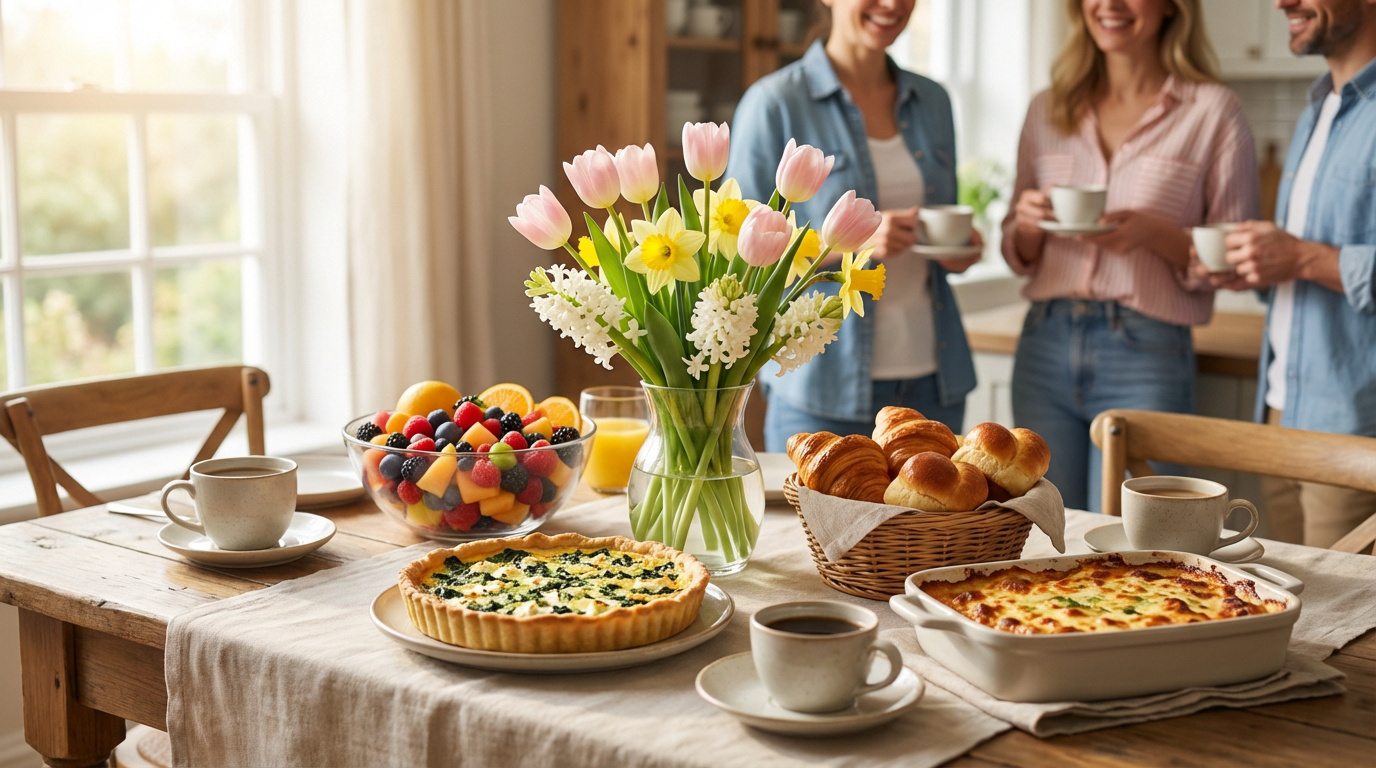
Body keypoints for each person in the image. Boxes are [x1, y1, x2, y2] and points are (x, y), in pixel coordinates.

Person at [1000, 0, 1259, 512]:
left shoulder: (1212, 111)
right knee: (1039, 525)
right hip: (1043, 347)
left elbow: (1230, 259)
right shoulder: (1046, 108)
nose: (1109, 5)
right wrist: (1026, 223)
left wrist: (1152, 234)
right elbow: (1019, 249)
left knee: (1141, 536)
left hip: (1148, 353)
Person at [726, 0, 980, 452]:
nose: (892, 5)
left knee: (928, 524)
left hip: (932, 377)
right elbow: (735, 253)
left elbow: (940, 225)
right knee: (815, 525)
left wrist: (960, 249)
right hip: (822, 386)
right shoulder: (774, 103)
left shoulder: (934, 101)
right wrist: (848, 244)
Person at [1204, 0, 1376, 548]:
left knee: (1346, 623)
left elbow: (1310, 255)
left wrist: (1300, 257)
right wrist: (1260, 268)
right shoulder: (1317, 107)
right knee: (1289, 609)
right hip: (1280, 409)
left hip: (1354, 423)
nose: (1281, 2)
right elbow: (1309, 259)